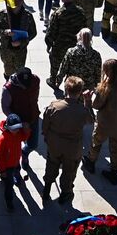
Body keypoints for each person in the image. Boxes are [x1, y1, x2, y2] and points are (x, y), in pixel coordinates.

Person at [41, 76, 94, 204]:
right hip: (73, 148)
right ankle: (65, 194)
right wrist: (88, 102)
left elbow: (45, 126)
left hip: (55, 144)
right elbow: (91, 120)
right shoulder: (82, 110)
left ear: (66, 89)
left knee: (52, 165)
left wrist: (48, 138)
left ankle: (46, 190)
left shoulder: (54, 106)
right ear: (80, 92)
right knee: (69, 171)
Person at [85, 58, 117, 184]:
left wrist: (89, 99)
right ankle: (113, 171)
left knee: (96, 142)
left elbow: (96, 105)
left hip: (105, 123)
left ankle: (91, 162)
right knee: (116, 147)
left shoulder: (107, 88)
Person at [45, 0, 88, 86]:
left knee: (55, 63)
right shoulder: (80, 11)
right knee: (73, 65)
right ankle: (71, 85)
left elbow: (51, 32)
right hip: (75, 45)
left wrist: (48, 45)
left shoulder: (58, 13)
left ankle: (53, 81)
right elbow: (85, 28)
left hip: (60, 46)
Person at [0, 0, 37, 78]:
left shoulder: (27, 16)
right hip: (6, 49)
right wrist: (5, 32)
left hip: (20, 50)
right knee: (8, 71)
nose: (16, 2)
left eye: (19, 0)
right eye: (14, 0)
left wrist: (21, 42)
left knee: (19, 72)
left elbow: (33, 33)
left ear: (22, 2)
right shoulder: (2, 14)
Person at [0, 113, 30, 211]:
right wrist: (2, 171)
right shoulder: (2, 139)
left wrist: (27, 130)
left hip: (15, 162)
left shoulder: (18, 133)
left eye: (18, 128)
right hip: (7, 167)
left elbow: (24, 137)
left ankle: (15, 178)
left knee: (16, 171)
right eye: (14, 128)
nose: (17, 130)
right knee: (9, 186)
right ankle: (9, 202)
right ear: (7, 127)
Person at [57, 27, 102, 92]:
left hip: (72, 85)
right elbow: (98, 73)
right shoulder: (96, 55)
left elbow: (63, 68)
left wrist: (58, 82)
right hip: (88, 88)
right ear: (90, 39)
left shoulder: (71, 52)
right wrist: (97, 87)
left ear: (79, 37)